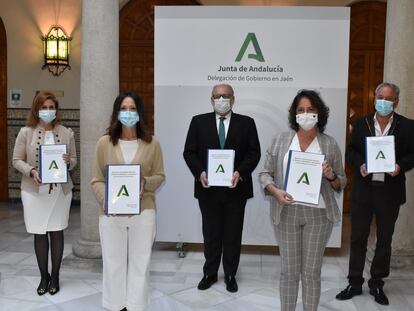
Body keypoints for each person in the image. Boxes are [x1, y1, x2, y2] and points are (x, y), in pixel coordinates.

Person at [259, 90, 346, 311]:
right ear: (294, 114)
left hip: (318, 216)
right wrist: (275, 191)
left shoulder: (329, 144)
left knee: (311, 272)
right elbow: (264, 174)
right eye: (300, 110)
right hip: (286, 212)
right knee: (289, 271)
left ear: (319, 113)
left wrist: (331, 176)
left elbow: (341, 183)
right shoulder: (280, 140)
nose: (305, 114)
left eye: (310, 110)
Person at [336, 82, 414, 306]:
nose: (384, 101)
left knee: (384, 240)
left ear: (396, 102)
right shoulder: (361, 124)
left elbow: (412, 155)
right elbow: (352, 151)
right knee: (358, 238)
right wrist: (360, 163)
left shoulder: (408, 126)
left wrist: (400, 165)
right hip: (364, 190)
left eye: (388, 98)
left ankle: (377, 283)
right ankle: (354, 282)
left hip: (390, 192)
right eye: (380, 96)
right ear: (374, 99)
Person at [91, 92, 165, 311]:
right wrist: (107, 200)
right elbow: (96, 179)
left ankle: (136, 305)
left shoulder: (152, 144)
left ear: (139, 113)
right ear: (116, 113)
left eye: (132, 109)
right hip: (111, 215)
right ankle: (115, 305)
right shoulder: (104, 143)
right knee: (113, 263)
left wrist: (145, 182)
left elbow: (161, 176)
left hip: (143, 213)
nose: (128, 113)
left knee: (140, 264)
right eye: (124, 108)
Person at [183, 83, 261, 293]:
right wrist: (200, 173)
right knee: (211, 233)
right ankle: (209, 273)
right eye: (217, 96)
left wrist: (240, 173)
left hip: (237, 189)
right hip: (207, 190)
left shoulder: (247, 123)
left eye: (225, 95)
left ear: (233, 99)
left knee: (233, 234)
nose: (221, 99)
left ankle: (230, 274)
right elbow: (189, 152)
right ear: (211, 99)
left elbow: (254, 153)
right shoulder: (198, 122)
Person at [12, 91, 77, 295]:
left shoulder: (67, 132)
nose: (48, 111)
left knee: (57, 232)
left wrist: (69, 162)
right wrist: (31, 171)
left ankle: (55, 276)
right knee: (39, 233)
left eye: (51, 107)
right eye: (44, 107)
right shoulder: (25, 132)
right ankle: (43, 276)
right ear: (36, 109)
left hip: (59, 192)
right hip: (33, 192)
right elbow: (16, 160)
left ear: (56, 109)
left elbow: (74, 160)